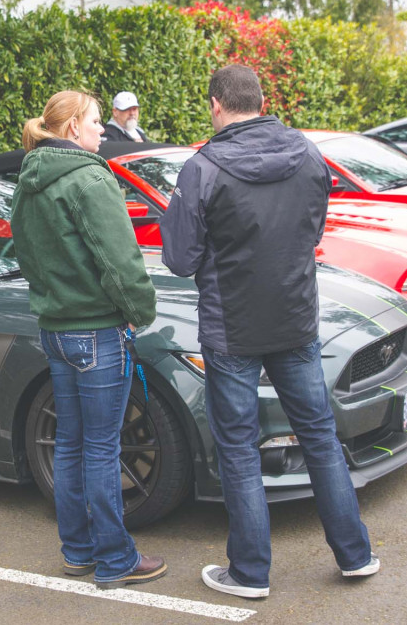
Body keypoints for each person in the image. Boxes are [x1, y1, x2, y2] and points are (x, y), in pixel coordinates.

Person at [160, 64, 378, 600]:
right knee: (321, 436)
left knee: (238, 447)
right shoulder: (307, 154)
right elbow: (313, 228)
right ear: (261, 100)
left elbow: (180, 259)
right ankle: (356, 555)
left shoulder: (203, 167)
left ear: (216, 104)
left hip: (232, 327)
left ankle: (250, 573)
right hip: (295, 318)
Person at [10, 90, 166, 588]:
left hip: (55, 330)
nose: (104, 131)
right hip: (96, 333)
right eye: (97, 121)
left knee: (73, 445)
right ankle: (117, 560)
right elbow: (121, 262)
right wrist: (140, 314)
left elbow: (23, 253)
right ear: (74, 126)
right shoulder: (90, 178)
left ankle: (78, 552)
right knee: (101, 448)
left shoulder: (30, 179)